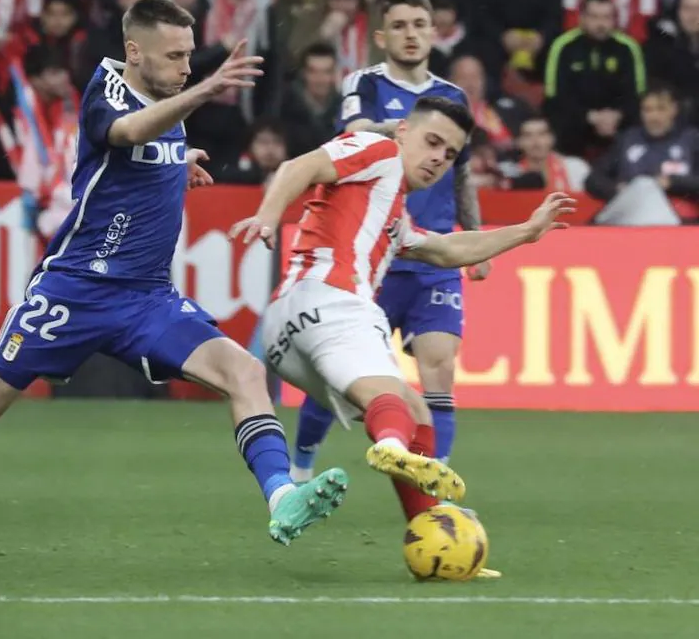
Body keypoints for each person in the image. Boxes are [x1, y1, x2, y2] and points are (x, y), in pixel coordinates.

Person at [0, 0, 349, 576]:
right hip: (72, 292)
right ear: (134, 52)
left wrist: (180, 163)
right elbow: (125, 133)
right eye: (174, 55)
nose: (184, 66)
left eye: (189, 56)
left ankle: (282, 498)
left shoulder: (168, 100)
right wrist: (203, 91)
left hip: (145, 297)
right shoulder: (108, 90)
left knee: (245, 372)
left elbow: (146, 150)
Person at [230, 97, 574, 576]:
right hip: (330, 301)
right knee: (395, 407)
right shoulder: (378, 150)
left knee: (414, 410)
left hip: (286, 330)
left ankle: (434, 533)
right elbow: (300, 165)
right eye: (432, 142)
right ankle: (391, 448)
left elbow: (444, 249)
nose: (438, 157)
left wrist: (525, 232)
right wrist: (269, 214)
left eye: (450, 154)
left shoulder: (390, 210)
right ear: (404, 131)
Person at [290, 0, 480, 480]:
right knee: (338, 380)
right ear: (382, 35)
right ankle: (301, 464)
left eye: (419, 24)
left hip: (431, 255)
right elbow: (355, 134)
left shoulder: (453, 97)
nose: (411, 34)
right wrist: (416, 126)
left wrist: (475, 240)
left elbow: (461, 174)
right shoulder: (365, 83)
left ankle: (437, 478)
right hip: (370, 257)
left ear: (433, 32)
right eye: (399, 25)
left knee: (439, 366)